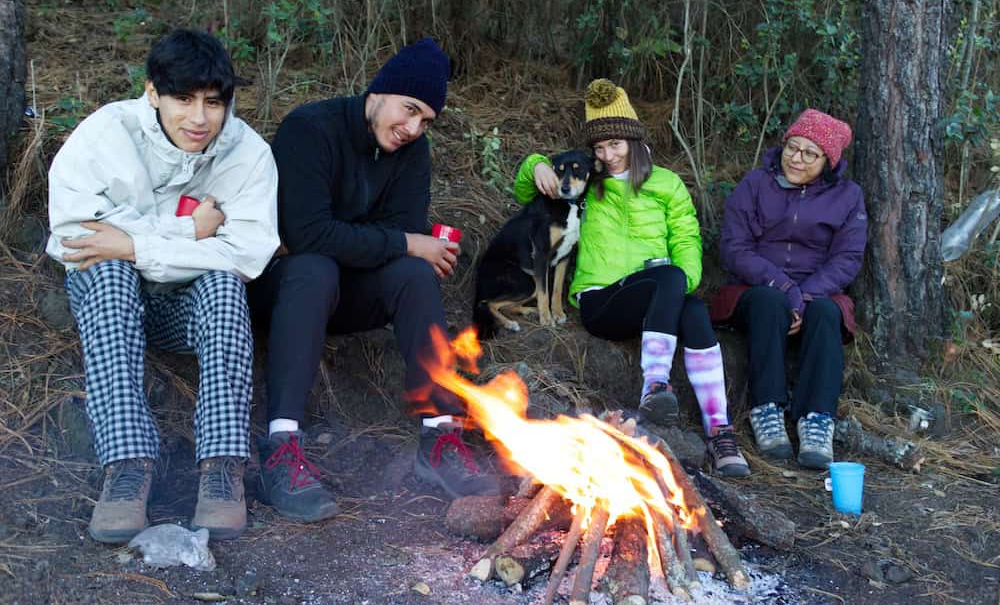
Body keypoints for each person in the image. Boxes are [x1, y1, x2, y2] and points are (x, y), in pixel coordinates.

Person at [249, 37, 498, 521]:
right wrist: (402, 242)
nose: (412, 128)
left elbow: (397, 233)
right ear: (378, 92)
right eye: (408, 110)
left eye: (425, 120)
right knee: (315, 265)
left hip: (349, 292)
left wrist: (401, 245)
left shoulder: (412, 152)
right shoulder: (310, 129)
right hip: (282, 290)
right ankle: (280, 448)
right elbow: (304, 233)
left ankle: (439, 435)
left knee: (412, 274)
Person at [46, 29, 280, 543]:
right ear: (152, 92)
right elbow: (75, 236)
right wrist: (188, 231)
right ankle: (127, 468)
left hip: (184, 308)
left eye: (213, 103)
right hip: (107, 298)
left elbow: (245, 254)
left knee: (221, 284)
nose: (199, 119)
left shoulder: (247, 155)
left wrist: (131, 243)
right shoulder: (106, 134)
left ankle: (222, 469)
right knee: (106, 272)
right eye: (183, 99)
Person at [513, 78, 750, 477]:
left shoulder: (666, 184)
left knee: (690, 307)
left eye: (616, 145)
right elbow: (526, 191)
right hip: (601, 301)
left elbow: (687, 239)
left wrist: (681, 283)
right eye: (600, 148)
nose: (608, 154)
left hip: (657, 293)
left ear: (634, 143)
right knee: (670, 283)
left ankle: (719, 431)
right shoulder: (589, 184)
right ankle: (655, 386)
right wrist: (535, 163)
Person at [710, 109, 867, 469]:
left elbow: (848, 256)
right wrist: (784, 288)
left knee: (827, 312)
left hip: (818, 289)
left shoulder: (848, 195)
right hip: (758, 286)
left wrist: (806, 294)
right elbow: (735, 247)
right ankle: (767, 409)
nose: (796, 158)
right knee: (768, 302)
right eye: (791, 148)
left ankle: (816, 420)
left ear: (829, 161)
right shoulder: (756, 184)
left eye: (809, 154)